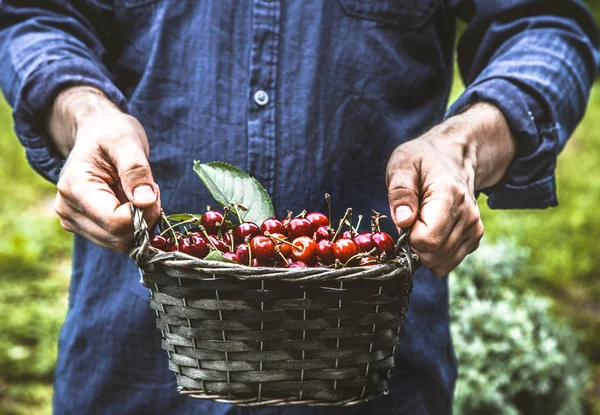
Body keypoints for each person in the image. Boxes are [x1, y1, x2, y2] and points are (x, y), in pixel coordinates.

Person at [0, 1, 597, 414]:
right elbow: (38, 18)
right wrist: (83, 112)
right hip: (132, 358)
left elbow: (546, 25)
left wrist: (464, 144)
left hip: (371, 366)